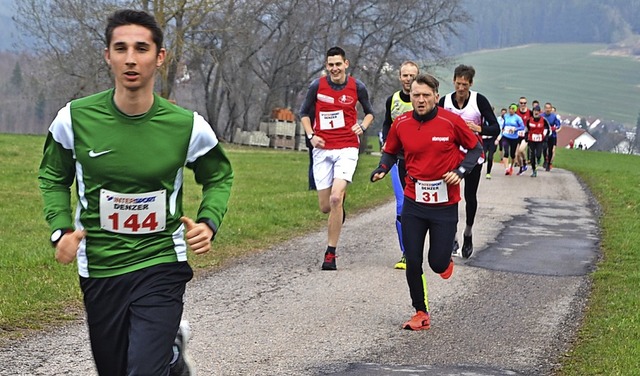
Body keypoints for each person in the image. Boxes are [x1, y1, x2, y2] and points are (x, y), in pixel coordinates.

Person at [38, 9, 234, 376]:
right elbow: (52, 175)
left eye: (141, 48)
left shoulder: (186, 126)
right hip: (100, 265)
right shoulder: (74, 119)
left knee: (143, 371)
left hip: (161, 261)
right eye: (121, 48)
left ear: (159, 58)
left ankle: (164, 358)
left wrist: (209, 222)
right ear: (107, 55)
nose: (131, 58)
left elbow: (219, 176)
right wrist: (60, 229)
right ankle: (173, 360)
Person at [370, 73, 482, 330]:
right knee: (412, 258)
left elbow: (475, 149)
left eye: (425, 95)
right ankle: (420, 312)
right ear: (410, 96)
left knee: (437, 262)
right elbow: (390, 151)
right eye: (415, 95)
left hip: (444, 204)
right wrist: (382, 168)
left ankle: (445, 262)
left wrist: (460, 172)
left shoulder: (450, 121)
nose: (420, 100)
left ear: (435, 96)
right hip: (415, 201)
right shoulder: (402, 123)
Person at [299, 46, 374, 270]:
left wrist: (363, 126)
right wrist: (311, 135)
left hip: (347, 147)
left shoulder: (357, 86)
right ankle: (339, 205)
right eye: (330, 65)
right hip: (322, 147)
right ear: (326, 66)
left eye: (338, 64)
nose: (334, 68)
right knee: (325, 206)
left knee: (334, 199)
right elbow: (303, 113)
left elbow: (369, 112)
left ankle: (330, 254)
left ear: (346, 64)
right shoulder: (317, 86)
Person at [438, 64, 500, 258]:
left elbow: (495, 128)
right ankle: (453, 238)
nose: (461, 88)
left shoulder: (478, 100)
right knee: (449, 198)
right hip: (450, 156)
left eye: (465, 84)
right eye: (458, 84)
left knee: (470, 196)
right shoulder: (444, 101)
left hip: (473, 155)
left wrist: (478, 128)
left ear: (471, 83)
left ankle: (468, 232)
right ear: (454, 81)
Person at [380, 60, 420, 269]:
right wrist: (387, 142)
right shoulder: (392, 100)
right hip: (398, 159)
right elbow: (387, 123)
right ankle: (406, 252)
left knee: (422, 206)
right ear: (399, 77)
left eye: (412, 75)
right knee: (402, 204)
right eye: (405, 75)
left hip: (420, 161)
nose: (408, 79)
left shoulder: (423, 100)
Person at [497, 103, 525, 176]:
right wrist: (502, 132)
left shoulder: (518, 118)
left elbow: (522, 127)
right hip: (505, 136)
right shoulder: (506, 116)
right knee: (506, 152)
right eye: (510, 109)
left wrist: (515, 129)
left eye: (513, 109)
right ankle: (506, 169)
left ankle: (511, 166)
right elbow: (504, 125)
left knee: (512, 154)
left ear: (515, 110)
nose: (511, 110)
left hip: (514, 138)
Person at [525, 105, 550, 177]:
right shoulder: (529, 120)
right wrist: (526, 136)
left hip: (540, 140)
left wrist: (545, 137)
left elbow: (548, 129)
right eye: (535, 111)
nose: (536, 112)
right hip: (531, 140)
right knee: (532, 156)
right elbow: (527, 129)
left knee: (538, 154)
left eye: (537, 111)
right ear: (533, 112)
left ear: (539, 112)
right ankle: (534, 170)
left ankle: (539, 159)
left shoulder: (543, 120)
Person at [487, 108, 507, 179]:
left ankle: (488, 172)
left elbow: (501, 129)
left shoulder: (504, 120)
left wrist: (498, 138)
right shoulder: (497, 119)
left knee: (500, 148)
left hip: (499, 136)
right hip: (487, 138)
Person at [514, 97, 532, 175]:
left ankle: (524, 162)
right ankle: (522, 167)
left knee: (521, 150)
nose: (523, 105)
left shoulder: (530, 112)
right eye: (521, 103)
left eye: (524, 103)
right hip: (517, 134)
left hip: (525, 135)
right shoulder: (516, 112)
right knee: (517, 154)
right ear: (519, 103)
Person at [542, 102, 562, 171]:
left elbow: (558, 124)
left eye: (549, 108)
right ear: (544, 108)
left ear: (551, 109)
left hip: (552, 135)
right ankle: (545, 159)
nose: (547, 109)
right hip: (544, 135)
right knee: (544, 148)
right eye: (546, 108)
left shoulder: (554, 117)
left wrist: (555, 127)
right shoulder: (541, 116)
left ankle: (548, 164)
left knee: (550, 150)